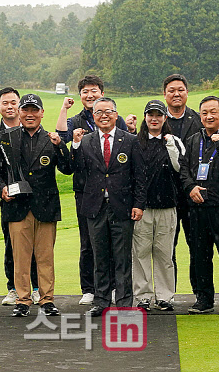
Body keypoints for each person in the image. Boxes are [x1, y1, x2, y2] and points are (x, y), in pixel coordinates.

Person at [0, 94, 72, 317]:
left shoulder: (51, 139)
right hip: (17, 206)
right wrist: (1, 189)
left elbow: (68, 168)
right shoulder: (7, 138)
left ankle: (47, 300)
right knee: (21, 258)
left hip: (45, 207)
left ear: (42, 113)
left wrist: (61, 146)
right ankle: (23, 300)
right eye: (25, 110)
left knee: (45, 257)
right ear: (19, 112)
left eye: (34, 110)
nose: (30, 114)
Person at [71, 97, 146, 317]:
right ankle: (101, 300)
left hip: (122, 206)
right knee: (99, 256)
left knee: (122, 257)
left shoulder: (130, 141)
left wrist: (139, 204)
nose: (104, 115)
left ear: (116, 115)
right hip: (95, 207)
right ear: (93, 116)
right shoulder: (86, 141)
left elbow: (140, 176)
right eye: (99, 112)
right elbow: (77, 170)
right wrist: (74, 145)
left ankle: (123, 302)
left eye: (109, 111)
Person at [56, 75, 128, 305]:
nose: (90, 95)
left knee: (116, 243)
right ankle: (89, 288)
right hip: (86, 190)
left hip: (115, 192)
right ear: (80, 96)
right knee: (89, 242)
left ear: (102, 92)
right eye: (85, 91)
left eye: (94, 90)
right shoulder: (76, 120)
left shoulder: (114, 117)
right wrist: (64, 109)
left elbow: (126, 142)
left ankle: (116, 287)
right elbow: (61, 137)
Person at [179, 96, 219, 315]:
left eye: (213, 112)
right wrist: (191, 187)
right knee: (200, 254)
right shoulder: (193, 140)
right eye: (204, 112)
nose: (208, 116)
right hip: (198, 206)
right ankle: (204, 299)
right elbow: (184, 168)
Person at [133, 100, 184, 311]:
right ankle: (143, 296)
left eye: (159, 115)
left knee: (164, 253)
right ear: (145, 118)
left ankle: (165, 296)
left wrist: (170, 143)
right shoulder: (135, 142)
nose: (154, 119)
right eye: (150, 115)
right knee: (141, 253)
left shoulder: (174, 141)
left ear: (165, 118)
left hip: (167, 206)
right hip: (142, 208)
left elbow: (179, 166)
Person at [0, 87, 39, 306]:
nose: (9, 107)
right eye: (5, 103)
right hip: (10, 200)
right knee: (11, 245)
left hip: (36, 201)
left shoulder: (34, 132)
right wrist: (0, 188)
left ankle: (37, 288)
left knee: (37, 248)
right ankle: (13, 288)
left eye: (14, 103)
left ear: (20, 107)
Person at [162, 74, 203, 296]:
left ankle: (199, 292)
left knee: (197, 245)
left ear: (187, 92)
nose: (176, 94)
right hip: (166, 194)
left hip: (193, 192)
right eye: (171, 90)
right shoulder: (156, 119)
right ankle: (169, 294)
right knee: (167, 249)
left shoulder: (197, 120)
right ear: (164, 94)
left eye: (180, 90)